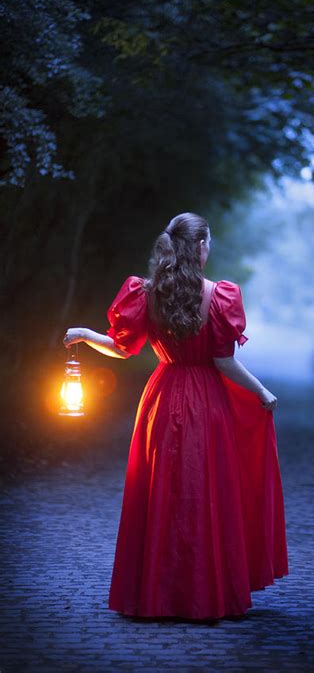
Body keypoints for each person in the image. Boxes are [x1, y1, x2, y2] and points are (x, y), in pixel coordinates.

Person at [63, 211, 289, 620]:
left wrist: (84, 334)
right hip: (206, 402)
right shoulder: (219, 296)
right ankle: (205, 595)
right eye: (209, 243)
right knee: (205, 493)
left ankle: (157, 594)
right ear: (201, 247)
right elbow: (223, 362)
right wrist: (261, 391)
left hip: (162, 402)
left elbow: (120, 347)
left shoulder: (147, 292)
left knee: (162, 491)